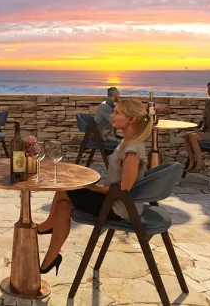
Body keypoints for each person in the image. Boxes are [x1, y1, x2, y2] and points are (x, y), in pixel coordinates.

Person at [34, 99, 152, 274]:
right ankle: (51, 257)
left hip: (119, 208)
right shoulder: (127, 143)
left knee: (65, 189)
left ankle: (47, 225)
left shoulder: (131, 151)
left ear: (132, 119)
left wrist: (94, 188)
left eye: (117, 112)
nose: (112, 115)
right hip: (114, 201)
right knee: (64, 205)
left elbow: (123, 190)